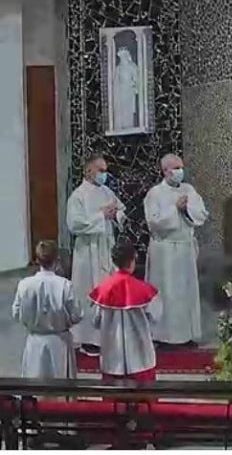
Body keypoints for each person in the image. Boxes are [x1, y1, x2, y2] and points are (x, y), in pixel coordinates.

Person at [144, 153, 208, 346]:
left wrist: (187, 209)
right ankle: (163, 336)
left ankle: (186, 335)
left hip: (184, 249)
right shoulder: (155, 193)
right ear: (165, 171)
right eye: (176, 168)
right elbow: (153, 222)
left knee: (186, 293)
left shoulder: (189, 189)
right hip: (165, 250)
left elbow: (201, 214)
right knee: (167, 293)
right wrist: (175, 209)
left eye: (181, 167)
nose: (180, 171)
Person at [67, 153, 125, 355]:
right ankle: (88, 339)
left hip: (106, 248)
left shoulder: (107, 191)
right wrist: (101, 216)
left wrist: (116, 214)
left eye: (105, 170)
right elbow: (74, 224)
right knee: (88, 291)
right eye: (100, 170)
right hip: (88, 251)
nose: (104, 174)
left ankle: (108, 336)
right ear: (88, 170)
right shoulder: (78, 196)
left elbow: (121, 210)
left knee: (108, 290)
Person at [90, 242, 161, 381]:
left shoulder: (104, 289)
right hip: (139, 358)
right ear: (132, 260)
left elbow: (95, 321)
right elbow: (155, 316)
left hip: (113, 358)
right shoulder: (144, 290)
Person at [12, 240, 83, 379]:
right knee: (61, 385)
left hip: (35, 341)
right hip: (60, 341)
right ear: (57, 260)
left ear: (37, 260)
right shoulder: (65, 285)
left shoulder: (24, 285)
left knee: (34, 383)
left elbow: (16, 313)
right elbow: (76, 314)